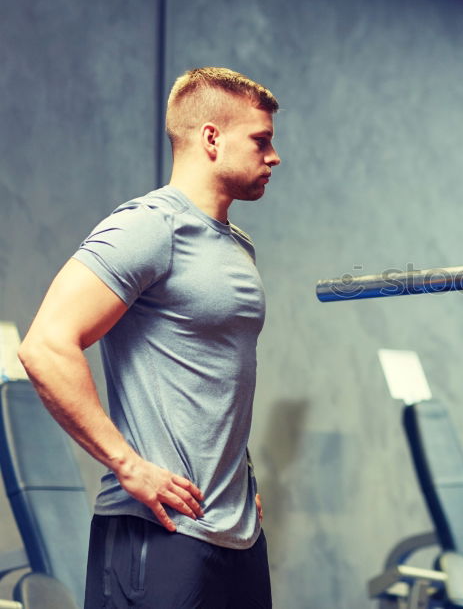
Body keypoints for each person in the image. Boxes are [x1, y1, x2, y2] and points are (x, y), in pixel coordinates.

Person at [17, 66, 280, 608]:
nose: (273, 157)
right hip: (159, 534)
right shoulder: (148, 226)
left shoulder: (238, 246)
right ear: (211, 138)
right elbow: (46, 345)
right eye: (261, 141)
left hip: (238, 537)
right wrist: (127, 463)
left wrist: (241, 480)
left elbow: (216, 381)